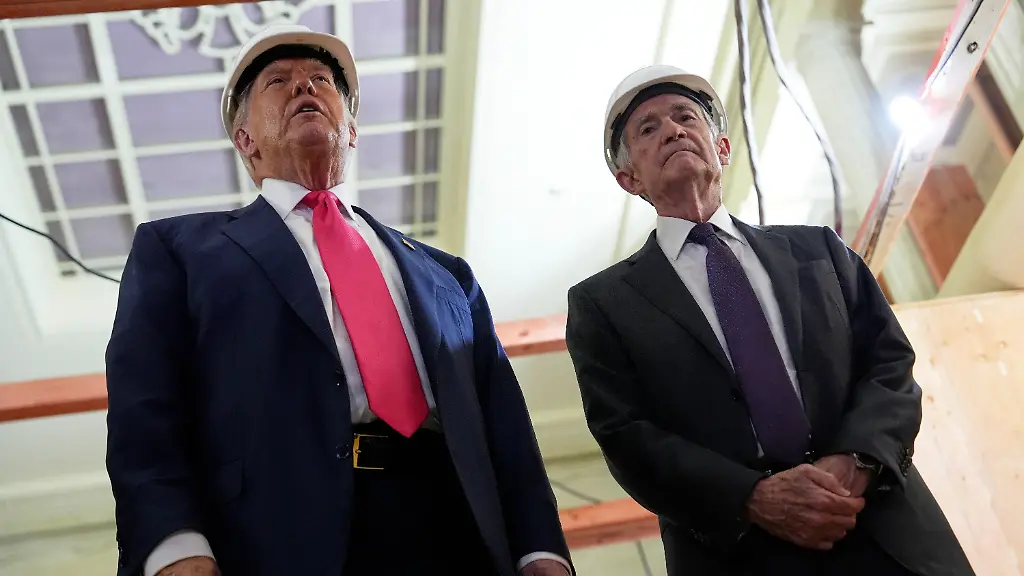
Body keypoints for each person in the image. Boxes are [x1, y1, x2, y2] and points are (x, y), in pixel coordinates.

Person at [105, 24, 571, 576]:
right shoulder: (178, 249)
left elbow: (505, 420)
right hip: (274, 533)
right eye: (278, 82)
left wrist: (541, 548)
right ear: (245, 139)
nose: (305, 87)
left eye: (321, 80)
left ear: (351, 130)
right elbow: (145, 401)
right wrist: (173, 544)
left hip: (457, 524)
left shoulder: (448, 274)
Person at [564, 64, 974, 576]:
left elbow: (889, 362)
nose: (672, 130)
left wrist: (855, 463)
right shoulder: (602, 305)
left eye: (686, 117)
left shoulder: (819, 249)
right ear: (629, 179)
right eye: (648, 129)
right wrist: (753, 496)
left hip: (887, 532)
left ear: (723, 149)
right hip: (741, 552)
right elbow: (627, 436)